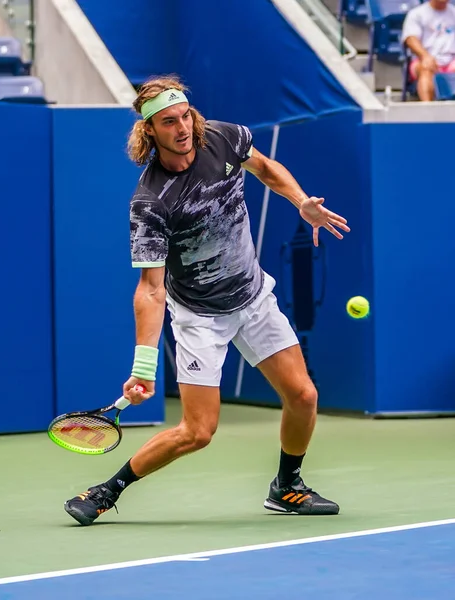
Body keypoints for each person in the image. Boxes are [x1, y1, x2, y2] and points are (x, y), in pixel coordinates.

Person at [64, 76, 350, 526]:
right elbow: (151, 289)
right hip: (200, 316)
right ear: (149, 132)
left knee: (303, 395)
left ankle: (287, 487)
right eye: (168, 122)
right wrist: (143, 367)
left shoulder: (222, 136)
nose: (182, 128)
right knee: (198, 432)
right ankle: (107, 490)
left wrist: (300, 202)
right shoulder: (150, 202)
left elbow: (266, 168)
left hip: (253, 297)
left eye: (185, 116)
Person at [402, 0, 455, 101]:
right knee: (425, 69)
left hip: (450, 59)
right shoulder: (417, 14)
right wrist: (425, 56)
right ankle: (428, 109)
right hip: (422, 59)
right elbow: (411, 39)